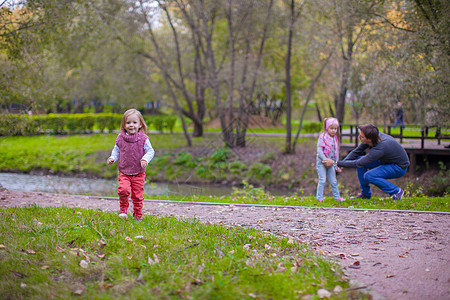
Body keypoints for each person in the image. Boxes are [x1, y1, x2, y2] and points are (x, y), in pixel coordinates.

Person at [334, 124, 409, 200]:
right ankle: (365, 194)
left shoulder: (380, 148)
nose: (359, 137)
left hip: (399, 167)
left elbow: (358, 163)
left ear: (369, 139)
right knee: (361, 159)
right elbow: (357, 151)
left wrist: (336, 163)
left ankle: (396, 191)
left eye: (361, 137)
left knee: (369, 175)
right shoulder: (374, 136)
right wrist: (342, 163)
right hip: (386, 161)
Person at [107, 109, 155, 220]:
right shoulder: (120, 138)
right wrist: (112, 158)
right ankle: (123, 209)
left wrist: (145, 159)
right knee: (123, 190)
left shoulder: (143, 139)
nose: (131, 125)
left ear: (140, 125)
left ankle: (138, 214)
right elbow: (116, 150)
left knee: (137, 195)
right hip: (124, 172)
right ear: (123, 125)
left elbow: (150, 151)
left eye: (134, 122)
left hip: (138, 173)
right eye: (128, 123)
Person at [316, 117, 344, 202]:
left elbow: (336, 154)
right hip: (322, 163)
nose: (333, 130)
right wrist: (325, 160)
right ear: (327, 128)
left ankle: (337, 197)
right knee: (322, 180)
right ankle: (319, 197)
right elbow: (319, 150)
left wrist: (336, 165)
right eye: (331, 128)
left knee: (333, 181)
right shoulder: (323, 137)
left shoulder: (335, 139)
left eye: (335, 128)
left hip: (331, 163)